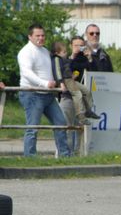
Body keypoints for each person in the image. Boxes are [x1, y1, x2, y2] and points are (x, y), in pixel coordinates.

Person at [16, 24, 71, 157]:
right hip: (32, 94)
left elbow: (54, 69)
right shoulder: (25, 52)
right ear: (30, 37)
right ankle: (30, 157)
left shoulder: (45, 51)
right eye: (37, 36)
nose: (41, 38)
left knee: (60, 123)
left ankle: (65, 156)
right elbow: (27, 73)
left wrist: (60, 82)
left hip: (48, 95)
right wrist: (45, 83)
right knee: (33, 127)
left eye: (42, 35)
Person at [51, 41, 100, 125]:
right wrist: (61, 82)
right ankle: (81, 116)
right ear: (57, 53)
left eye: (81, 45)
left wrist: (72, 75)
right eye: (64, 52)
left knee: (86, 90)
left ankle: (88, 111)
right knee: (78, 94)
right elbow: (57, 71)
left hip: (70, 79)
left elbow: (67, 70)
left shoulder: (66, 60)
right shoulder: (56, 59)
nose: (66, 54)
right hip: (65, 81)